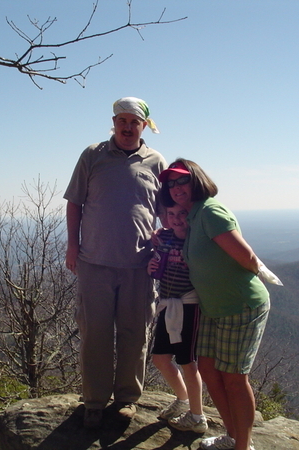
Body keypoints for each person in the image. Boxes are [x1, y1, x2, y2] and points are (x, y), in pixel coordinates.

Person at [64, 97, 166, 429]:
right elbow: (75, 203)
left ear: (144, 126)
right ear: (113, 122)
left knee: (134, 334)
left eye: (134, 122)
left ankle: (126, 400)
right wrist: (72, 245)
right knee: (95, 334)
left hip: (140, 265)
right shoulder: (93, 156)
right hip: (94, 261)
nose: (127, 127)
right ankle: (94, 401)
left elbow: (165, 213)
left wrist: (169, 248)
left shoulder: (155, 162)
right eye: (122, 120)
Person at [158, 159, 270, 450]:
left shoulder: (210, 211)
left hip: (239, 306)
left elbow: (247, 258)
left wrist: (231, 283)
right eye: (171, 183)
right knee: (207, 369)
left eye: (181, 180)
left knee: (234, 378)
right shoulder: (192, 216)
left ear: (195, 179)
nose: (176, 187)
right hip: (212, 308)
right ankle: (232, 437)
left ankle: (242, 447)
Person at [149, 203, 207, 433]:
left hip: (189, 306)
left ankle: (197, 416)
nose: (175, 219)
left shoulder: (196, 239)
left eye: (181, 213)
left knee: (187, 362)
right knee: (160, 359)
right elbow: (156, 267)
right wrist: (150, 267)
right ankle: (183, 400)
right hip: (167, 304)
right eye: (170, 214)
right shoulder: (164, 238)